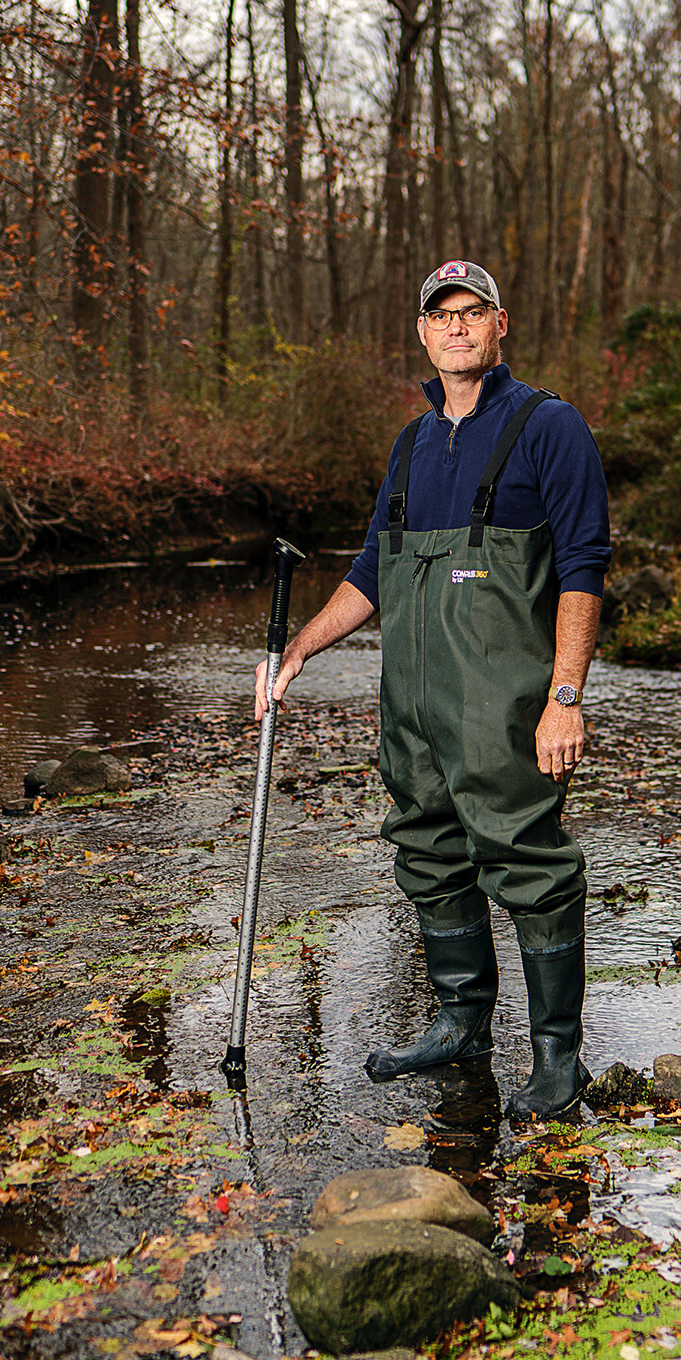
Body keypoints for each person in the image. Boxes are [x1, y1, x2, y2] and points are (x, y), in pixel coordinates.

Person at [255, 260, 609, 1124]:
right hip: (412, 705)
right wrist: (298, 647)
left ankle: (559, 1058)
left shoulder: (547, 426)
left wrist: (565, 697)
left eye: (472, 312)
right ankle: (461, 1023)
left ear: (499, 326)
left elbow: (583, 564)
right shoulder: (412, 444)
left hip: (506, 704)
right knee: (427, 849)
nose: (456, 327)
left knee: (529, 862)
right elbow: (374, 571)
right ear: (422, 332)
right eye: (440, 315)